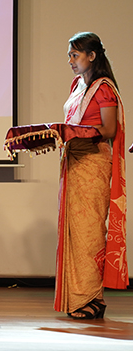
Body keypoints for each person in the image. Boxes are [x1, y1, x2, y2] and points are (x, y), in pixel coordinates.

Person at [55, 32, 127, 319]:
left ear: (92, 56)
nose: (70, 61)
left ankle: (89, 298)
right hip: (73, 160)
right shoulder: (77, 86)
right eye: (70, 55)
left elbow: (109, 130)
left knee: (89, 232)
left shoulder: (104, 88)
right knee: (74, 232)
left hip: (93, 161)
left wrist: (73, 132)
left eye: (75, 55)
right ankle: (87, 298)